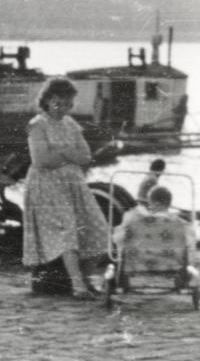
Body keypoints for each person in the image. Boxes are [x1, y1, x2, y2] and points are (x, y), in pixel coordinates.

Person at [23, 77, 111, 299]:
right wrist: (67, 154)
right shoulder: (38, 125)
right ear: (48, 100)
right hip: (47, 186)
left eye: (68, 104)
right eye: (59, 103)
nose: (64, 109)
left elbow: (86, 155)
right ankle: (78, 285)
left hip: (73, 185)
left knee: (96, 226)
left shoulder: (70, 123)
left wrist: (61, 155)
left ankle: (88, 279)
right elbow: (41, 160)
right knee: (66, 232)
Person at [112, 185, 193, 287]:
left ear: (157, 204)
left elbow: (117, 240)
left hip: (135, 266)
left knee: (121, 246)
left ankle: (122, 282)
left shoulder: (134, 221)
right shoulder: (182, 224)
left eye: (150, 204)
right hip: (172, 266)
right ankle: (182, 281)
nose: (149, 207)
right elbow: (190, 247)